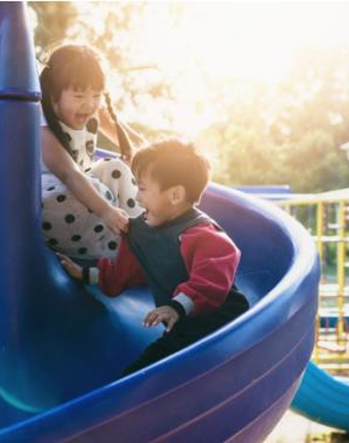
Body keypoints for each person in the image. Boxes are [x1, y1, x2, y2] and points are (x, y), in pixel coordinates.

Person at [57, 140, 249, 376]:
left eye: (143, 188)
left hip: (224, 323)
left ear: (175, 195)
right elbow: (130, 270)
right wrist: (87, 274)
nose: (136, 197)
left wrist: (176, 306)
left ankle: (124, 404)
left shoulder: (203, 235)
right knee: (152, 364)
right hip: (184, 325)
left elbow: (211, 281)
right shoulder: (145, 233)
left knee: (148, 371)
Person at [39, 43, 144, 260]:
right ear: (53, 95)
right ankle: (110, 252)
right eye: (78, 96)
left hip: (85, 200)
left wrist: (159, 161)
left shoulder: (95, 111)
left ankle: (145, 237)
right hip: (49, 203)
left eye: (96, 95)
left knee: (115, 168)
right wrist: (106, 210)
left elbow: (137, 144)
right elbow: (69, 173)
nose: (88, 104)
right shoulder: (41, 125)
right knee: (92, 186)